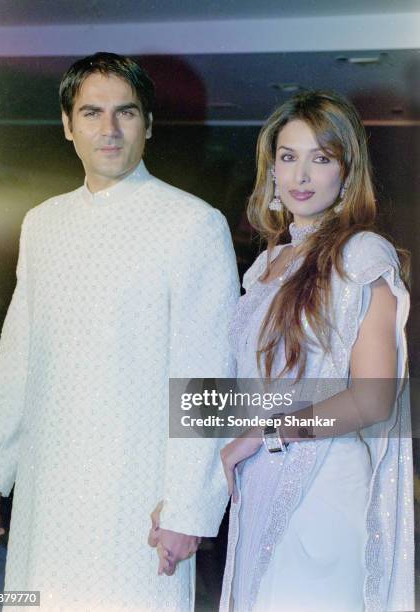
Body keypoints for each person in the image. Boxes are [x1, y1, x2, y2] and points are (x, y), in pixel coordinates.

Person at [0, 52, 240, 610]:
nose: (108, 130)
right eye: (91, 113)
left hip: (137, 495)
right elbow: (18, 357)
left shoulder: (193, 224)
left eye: (126, 113)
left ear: (149, 125)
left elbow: (207, 376)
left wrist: (189, 506)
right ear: (68, 126)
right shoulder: (43, 223)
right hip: (50, 485)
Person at [219, 91, 413, 612]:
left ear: (346, 173)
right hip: (260, 479)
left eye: (320, 158)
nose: (301, 175)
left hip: (323, 484)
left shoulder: (361, 254)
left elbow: (373, 400)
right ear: (273, 170)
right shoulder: (265, 266)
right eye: (289, 157)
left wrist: (266, 433)